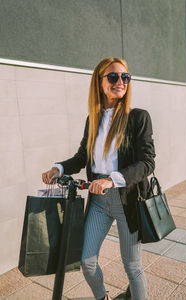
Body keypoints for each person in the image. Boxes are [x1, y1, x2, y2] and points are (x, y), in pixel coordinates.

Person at [42, 57, 155, 300]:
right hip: (98, 201)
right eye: (113, 77)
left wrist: (111, 180)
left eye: (125, 77)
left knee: (132, 267)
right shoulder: (92, 119)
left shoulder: (138, 118)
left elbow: (147, 162)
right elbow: (82, 157)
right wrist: (58, 168)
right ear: (99, 81)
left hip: (127, 200)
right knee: (87, 261)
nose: (121, 82)